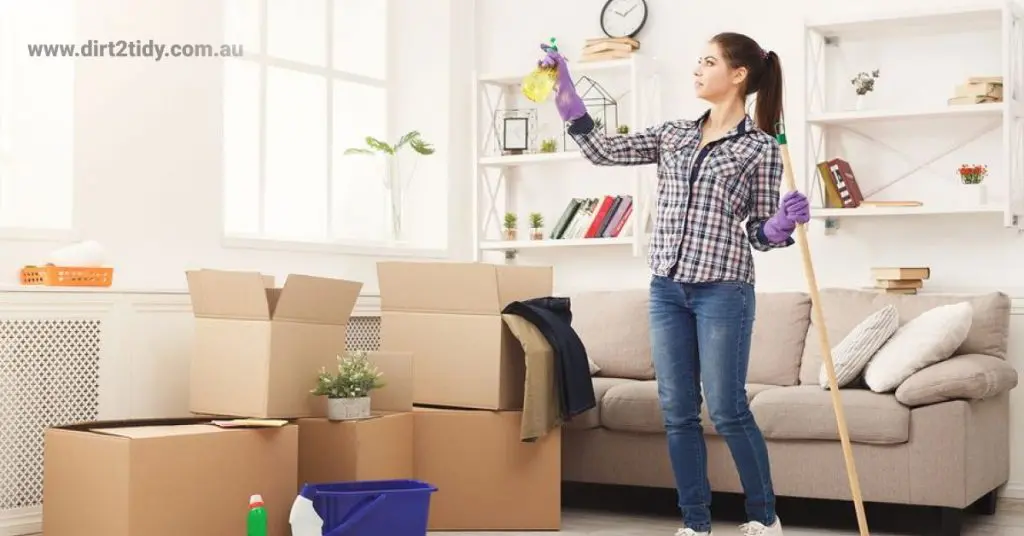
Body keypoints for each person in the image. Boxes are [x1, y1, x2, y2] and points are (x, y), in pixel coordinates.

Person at [540, 32, 809, 536]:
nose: (697, 70)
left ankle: (763, 517)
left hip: (724, 290)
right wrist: (565, 86)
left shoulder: (760, 148)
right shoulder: (673, 135)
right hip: (667, 288)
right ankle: (694, 524)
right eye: (697, 61)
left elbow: (758, 232)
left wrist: (779, 226)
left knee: (726, 409)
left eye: (708, 62)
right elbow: (602, 150)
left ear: (739, 75)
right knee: (678, 412)